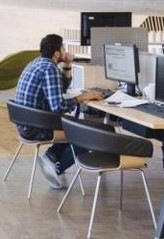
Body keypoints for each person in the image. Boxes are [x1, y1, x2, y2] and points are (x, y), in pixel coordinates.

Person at [13, 34, 104, 189]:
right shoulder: (50, 69)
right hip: (36, 128)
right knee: (85, 134)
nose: (65, 51)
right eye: (63, 49)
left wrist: (67, 65)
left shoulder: (37, 63)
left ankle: (51, 156)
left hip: (26, 124)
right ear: (56, 53)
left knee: (74, 126)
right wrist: (83, 97)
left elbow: (59, 89)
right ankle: (55, 167)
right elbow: (59, 106)